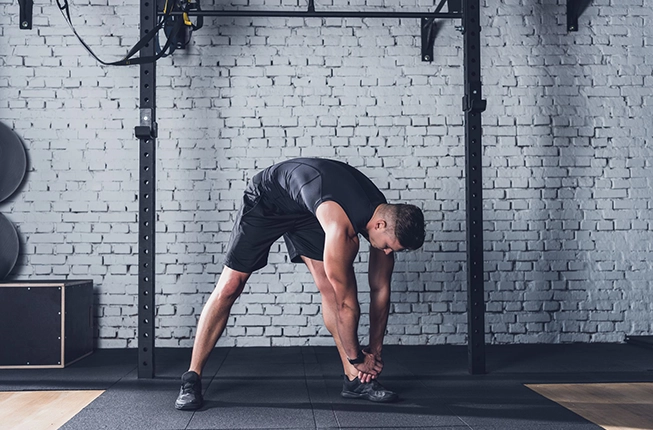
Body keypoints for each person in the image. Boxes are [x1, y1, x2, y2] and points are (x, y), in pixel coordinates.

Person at [175, 157, 425, 410]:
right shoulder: (341, 229)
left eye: (392, 250)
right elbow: (346, 305)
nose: (386, 253)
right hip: (268, 201)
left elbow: (380, 290)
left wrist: (376, 350)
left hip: (307, 211)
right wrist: (358, 356)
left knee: (328, 285)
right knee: (231, 285)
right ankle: (191, 378)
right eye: (387, 247)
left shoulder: (385, 216)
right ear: (380, 225)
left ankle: (354, 381)